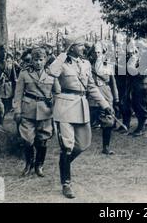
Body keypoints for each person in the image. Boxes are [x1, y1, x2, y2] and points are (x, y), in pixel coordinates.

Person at [48, 35, 113, 199]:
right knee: (68, 146)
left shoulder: (86, 63)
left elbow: (91, 86)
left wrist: (105, 104)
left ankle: (64, 164)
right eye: (80, 45)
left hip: (81, 106)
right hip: (64, 107)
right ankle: (66, 183)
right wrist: (62, 55)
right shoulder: (61, 63)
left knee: (84, 143)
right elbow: (50, 73)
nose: (84, 48)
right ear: (71, 47)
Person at [13, 47, 60, 177]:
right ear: (31, 60)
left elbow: (58, 92)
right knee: (27, 140)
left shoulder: (51, 74)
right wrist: (17, 111)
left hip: (45, 111)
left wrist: (54, 104)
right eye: (35, 59)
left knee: (42, 140)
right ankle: (29, 164)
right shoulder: (24, 73)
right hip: (28, 110)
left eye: (41, 59)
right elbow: (18, 94)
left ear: (45, 60)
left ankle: (39, 165)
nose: (38, 62)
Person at [88, 42, 120, 155]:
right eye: (95, 52)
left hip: (105, 93)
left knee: (108, 120)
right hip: (92, 95)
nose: (97, 55)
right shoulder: (87, 65)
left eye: (99, 52)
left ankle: (106, 146)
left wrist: (116, 98)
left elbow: (113, 82)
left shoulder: (108, 65)